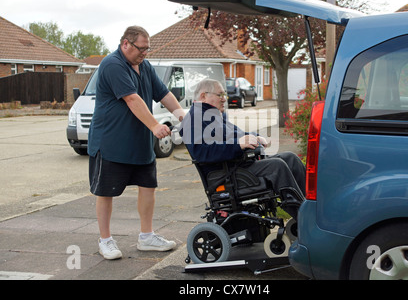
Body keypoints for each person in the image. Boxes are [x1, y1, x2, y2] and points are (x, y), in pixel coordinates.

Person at [88, 26, 184, 260]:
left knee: (148, 187)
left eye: (147, 49)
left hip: (139, 143)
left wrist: (184, 115)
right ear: (125, 44)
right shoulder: (112, 64)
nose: (145, 53)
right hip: (111, 141)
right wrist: (154, 126)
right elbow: (132, 99)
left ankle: (146, 236)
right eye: (141, 49)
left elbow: (163, 93)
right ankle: (106, 240)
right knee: (105, 192)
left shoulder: (145, 66)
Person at [180, 79, 305, 220]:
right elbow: (202, 152)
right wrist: (238, 145)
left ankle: (314, 206)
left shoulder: (215, 116)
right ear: (203, 96)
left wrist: (255, 137)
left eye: (224, 95)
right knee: (277, 167)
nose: (224, 99)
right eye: (220, 95)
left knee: (290, 158)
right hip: (225, 175)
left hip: (240, 166)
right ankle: (305, 220)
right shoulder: (192, 120)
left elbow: (238, 134)